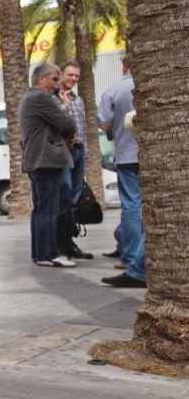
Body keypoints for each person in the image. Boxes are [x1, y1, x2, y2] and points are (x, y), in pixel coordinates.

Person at [18, 62, 77, 269]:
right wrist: (65, 107)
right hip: (46, 160)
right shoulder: (41, 98)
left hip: (38, 160)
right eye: (54, 79)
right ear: (41, 79)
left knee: (42, 209)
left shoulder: (30, 97)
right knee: (48, 209)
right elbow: (69, 124)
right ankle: (47, 254)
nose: (57, 83)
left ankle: (41, 254)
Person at [97, 59, 145, 288]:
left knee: (132, 206)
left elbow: (104, 124)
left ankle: (132, 258)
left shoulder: (114, 89)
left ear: (124, 66)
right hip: (156, 157)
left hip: (127, 155)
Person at [55, 62, 92, 259]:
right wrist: (63, 105)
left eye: (77, 76)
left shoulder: (78, 100)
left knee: (74, 198)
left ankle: (69, 242)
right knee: (64, 196)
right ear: (61, 74)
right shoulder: (53, 98)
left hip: (78, 151)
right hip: (63, 154)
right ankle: (60, 243)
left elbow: (83, 127)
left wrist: (85, 153)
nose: (74, 79)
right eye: (70, 75)